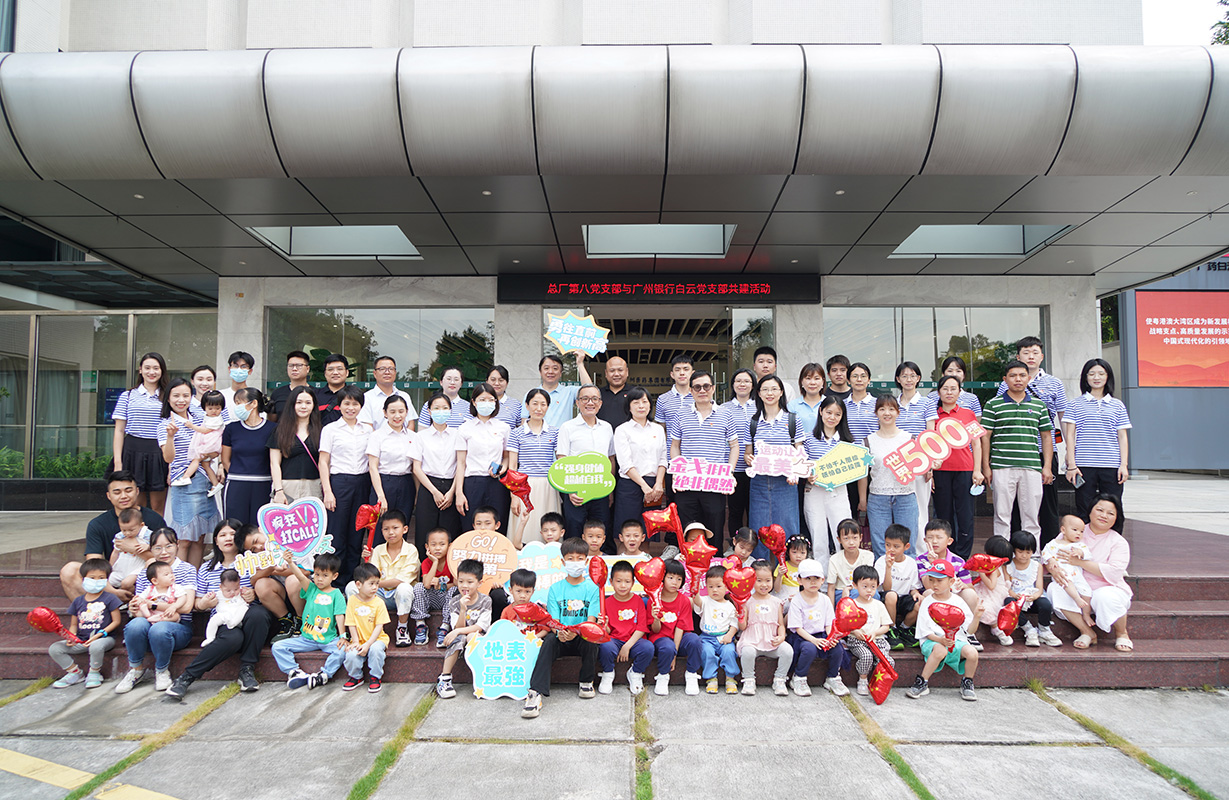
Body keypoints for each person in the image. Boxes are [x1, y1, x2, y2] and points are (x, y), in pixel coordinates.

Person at [166, 520, 272, 698]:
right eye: (223, 535)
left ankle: (247, 670)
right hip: (224, 619)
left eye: (232, 534)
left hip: (249, 616)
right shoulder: (206, 569)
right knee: (234, 638)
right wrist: (205, 603)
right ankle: (186, 677)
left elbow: (266, 586)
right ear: (216, 541)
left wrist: (254, 593)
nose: (228, 538)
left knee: (259, 614)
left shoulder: (253, 561)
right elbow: (197, 604)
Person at [996, 337, 1067, 548]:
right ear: (1019, 357)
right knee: (1015, 505)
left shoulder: (1054, 383)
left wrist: (1069, 453)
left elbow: (1063, 417)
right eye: (1026, 353)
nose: (1031, 356)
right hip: (1014, 453)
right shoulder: (1006, 383)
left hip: (1043, 453)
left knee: (1047, 503)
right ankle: (1019, 549)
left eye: (1035, 352)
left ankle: (1047, 549)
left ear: (1041, 356)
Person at [522, 537, 601, 718]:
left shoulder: (592, 588)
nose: (575, 562)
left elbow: (591, 621)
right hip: (561, 636)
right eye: (570, 558)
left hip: (581, 635)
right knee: (548, 641)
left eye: (579, 558)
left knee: (591, 640)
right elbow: (553, 620)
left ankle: (586, 681)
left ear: (586, 561)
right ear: (563, 562)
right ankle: (535, 692)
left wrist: (575, 633)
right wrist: (560, 632)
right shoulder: (556, 589)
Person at [59, 470, 165, 602]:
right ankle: (91, 615)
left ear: (137, 491)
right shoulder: (98, 524)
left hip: (146, 579)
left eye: (128, 490)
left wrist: (133, 549)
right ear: (108, 496)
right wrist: (113, 591)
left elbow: (165, 560)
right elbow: (93, 564)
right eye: (117, 492)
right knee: (69, 570)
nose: (124, 496)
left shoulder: (154, 519)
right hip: (113, 580)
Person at [1046, 494, 1133, 651]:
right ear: (1090, 511)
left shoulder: (1118, 541)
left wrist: (1080, 563)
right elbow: (1053, 552)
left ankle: (1122, 634)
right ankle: (1087, 632)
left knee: (1106, 596)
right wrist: (1052, 566)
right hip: (1076, 590)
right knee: (1054, 589)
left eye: (1110, 513)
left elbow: (1114, 573)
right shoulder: (1076, 529)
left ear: (1116, 517)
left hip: (1105, 587)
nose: (1104, 516)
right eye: (1100, 510)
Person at [116, 527, 197, 693]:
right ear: (150, 549)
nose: (164, 552)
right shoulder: (147, 572)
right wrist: (136, 608)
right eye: (158, 548)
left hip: (178, 627)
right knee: (135, 625)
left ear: (177, 545)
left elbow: (187, 607)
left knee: (160, 629)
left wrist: (154, 605)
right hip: (148, 621)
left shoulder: (187, 569)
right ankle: (136, 670)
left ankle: (161, 670)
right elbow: (139, 608)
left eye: (169, 546)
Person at [982, 359, 1054, 543]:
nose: (1018, 379)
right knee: (1002, 515)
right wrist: (986, 467)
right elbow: (985, 437)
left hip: (1031, 467)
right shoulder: (993, 404)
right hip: (1001, 466)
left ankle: (1032, 556)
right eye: (1013, 376)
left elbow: (1046, 437)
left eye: (1022, 375)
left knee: (1031, 517)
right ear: (1005, 379)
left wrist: (1047, 467)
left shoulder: (1039, 405)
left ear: (1028, 378)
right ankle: (1001, 555)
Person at [670, 371, 740, 550]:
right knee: (688, 529)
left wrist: (729, 473)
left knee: (714, 526)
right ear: (691, 391)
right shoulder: (681, 414)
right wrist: (677, 473)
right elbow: (675, 446)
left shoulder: (726, 414)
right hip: (687, 482)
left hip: (714, 483)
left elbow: (734, 446)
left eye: (706, 386)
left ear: (713, 389)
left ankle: (714, 568)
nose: (702, 390)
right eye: (697, 387)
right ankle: (687, 569)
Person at [1063, 358, 1131, 521]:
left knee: (1113, 508)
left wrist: (1123, 465)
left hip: (1111, 465)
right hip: (1084, 465)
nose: (1096, 377)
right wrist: (1072, 465)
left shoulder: (1117, 405)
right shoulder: (1075, 405)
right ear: (1085, 377)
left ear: (1108, 377)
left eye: (1101, 373)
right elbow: (1070, 436)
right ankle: (1086, 544)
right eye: (1091, 373)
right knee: (1084, 508)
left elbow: (1122, 436)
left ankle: (1112, 544)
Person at [319, 384, 374, 585]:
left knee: (356, 534)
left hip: (362, 482)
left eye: (355, 404)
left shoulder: (368, 430)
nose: (351, 408)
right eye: (346, 403)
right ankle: (335, 582)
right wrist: (328, 491)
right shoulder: (330, 429)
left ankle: (353, 581)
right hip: (339, 483)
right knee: (337, 535)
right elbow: (323, 461)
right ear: (339, 405)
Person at [927, 375, 984, 560]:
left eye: (953, 388)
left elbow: (977, 444)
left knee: (965, 514)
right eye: (945, 388)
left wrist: (977, 470)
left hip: (965, 469)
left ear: (960, 391)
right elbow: (927, 444)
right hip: (940, 470)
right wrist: (931, 472)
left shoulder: (968, 414)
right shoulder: (933, 415)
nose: (949, 392)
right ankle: (945, 554)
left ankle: (962, 556)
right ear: (938, 392)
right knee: (943, 514)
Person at [272, 551, 347, 690]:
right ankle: (294, 672)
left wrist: (342, 636)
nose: (319, 579)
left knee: (343, 650)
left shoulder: (337, 594)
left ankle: (324, 675)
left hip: (328, 639)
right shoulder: (312, 589)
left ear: (334, 576)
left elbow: (339, 615)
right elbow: (300, 576)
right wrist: (290, 562)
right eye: (317, 574)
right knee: (277, 647)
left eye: (325, 575)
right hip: (306, 639)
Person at [906, 559, 979, 701]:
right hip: (932, 641)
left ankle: (967, 682)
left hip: (955, 641)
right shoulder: (927, 601)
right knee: (941, 649)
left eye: (939, 581)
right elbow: (925, 631)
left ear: (951, 582)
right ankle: (922, 682)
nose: (934, 584)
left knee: (972, 653)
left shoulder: (958, 601)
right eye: (932, 580)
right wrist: (941, 640)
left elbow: (969, 630)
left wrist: (977, 616)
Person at [800, 396, 855, 574]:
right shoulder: (807, 439)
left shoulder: (848, 441)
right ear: (821, 411)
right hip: (814, 492)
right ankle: (820, 581)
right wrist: (808, 475)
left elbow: (855, 468)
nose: (832, 417)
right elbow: (802, 465)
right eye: (829, 412)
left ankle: (846, 577)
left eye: (837, 414)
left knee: (844, 535)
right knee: (818, 537)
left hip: (838, 492)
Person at [859, 395, 918, 559]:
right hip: (878, 498)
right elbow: (863, 474)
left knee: (908, 544)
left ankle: (909, 582)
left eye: (891, 409)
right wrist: (863, 500)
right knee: (880, 546)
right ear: (876, 413)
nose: (887, 413)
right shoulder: (868, 441)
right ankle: (882, 582)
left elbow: (920, 466)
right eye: (882, 409)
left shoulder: (910, 438)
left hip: (905, 496)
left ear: (898, 413)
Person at [49, 559, 123, 689]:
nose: (96, 581)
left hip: (104, 639)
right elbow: (73, 624)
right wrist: (71, 637)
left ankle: (94, 672)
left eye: (101, 578)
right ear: (83, 579)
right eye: (92, 577)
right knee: (55, 648)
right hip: (82, 640)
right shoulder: (78, 601)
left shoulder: (110, 598)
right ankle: (75, 673)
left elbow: (116, 621)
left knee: (95, 646)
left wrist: (100, 634)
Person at [112, 351, 169, 515]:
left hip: (159, 451)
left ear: (162, 371)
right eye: (148, 368)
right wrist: (118, 462)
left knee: (159, 505)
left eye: (156, 368)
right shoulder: (128, 396)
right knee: (136, 503)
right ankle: (137, 538)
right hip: (132, 451)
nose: (152, 372)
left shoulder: (168, 397)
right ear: (140, 370)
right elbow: (119, 430)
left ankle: (158, 538)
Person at [556, 384, 616, 542]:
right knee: (575, 526)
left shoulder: (607, 428)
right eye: (585, 399)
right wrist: (568, 490)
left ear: (600, 403)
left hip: (600, 488)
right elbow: (561, 460)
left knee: (601, 527)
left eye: (594, 399)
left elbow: (610, 459)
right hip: (576, 489)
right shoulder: (567, 427)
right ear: (577, 403)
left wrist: (609, 490)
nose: (590, 403)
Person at [746, 374, 802, 540]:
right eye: (765, 389)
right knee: (759, 527)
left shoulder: (793, 420)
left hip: (785, 481)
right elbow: (748, 453)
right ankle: (760, 565)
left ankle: (789, 564)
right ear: (759, 393)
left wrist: (795, 473)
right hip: (759, 482)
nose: (769, 393)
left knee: (788, 527)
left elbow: (799, 451)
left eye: (774, 389)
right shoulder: (753, 422)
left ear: (781, 393)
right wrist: (749, 459)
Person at [355, 510, 419, 647]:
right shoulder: (377, 550)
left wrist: (374, 584)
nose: (391, 532)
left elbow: (402, 580)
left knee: (404, 588)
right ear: (382, 531)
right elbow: (369, 576)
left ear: (405, 529)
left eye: (395, 528)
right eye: (386, 529)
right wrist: (367, 559)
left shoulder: (411, 550)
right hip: (380, 595)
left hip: (401, 597)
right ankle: (364, 628)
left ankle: (402, 628)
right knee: (352, 587)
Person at [507, 388, 561, 547]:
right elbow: (512, 466)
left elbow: (561, 461)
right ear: (527, 405)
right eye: (534, 404)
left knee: (549, 526)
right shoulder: (516, 433)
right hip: (524, 486)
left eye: (543, 404)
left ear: (548, 407)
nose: (539, 408)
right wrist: (514, 496)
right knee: (525, 526)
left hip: (548, 485)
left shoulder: (555, 432)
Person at [916, 519, 982, 649]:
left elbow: (970, 586)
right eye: (930, 538)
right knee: (929, 592)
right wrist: (932, 565)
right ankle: (935, 634)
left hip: (954, 597)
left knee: (970, 593)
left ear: (949, 541)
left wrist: (963, 585)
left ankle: (969, 633)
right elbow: (928, 585)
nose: (934, 541)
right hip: (934, 596)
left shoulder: (958, 561)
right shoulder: (921, 560)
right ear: (924, 540)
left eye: (939, 537)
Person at [613, 387, 667, 543]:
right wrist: (644, 487)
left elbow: (663, 458)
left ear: (650, 405)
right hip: (630, 486)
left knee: (647, 532)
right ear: (629, 406)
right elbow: (625, 464)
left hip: (653, 486)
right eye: (636, 402)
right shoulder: (622, 430)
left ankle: (645, 565)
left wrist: (658, 485)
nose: (641, 406)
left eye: (645, 402)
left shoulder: (657, 429)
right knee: (628, 533)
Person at [455, 382, 513, 530]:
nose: (486, 403)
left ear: (495, 402)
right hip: (472, 483)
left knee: (498, 525)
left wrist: (502, 468)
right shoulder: (464, 428)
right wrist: (459, 493)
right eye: (482, 399)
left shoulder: (503, 428)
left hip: (497, 483)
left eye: (490, 399)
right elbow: (460, 463)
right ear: (474, 402)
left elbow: (506, 456)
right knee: (471, 525)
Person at [786, 558, 847, 697]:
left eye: (816, 578)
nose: (813, 582)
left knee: (837, 647)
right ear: (800, 580)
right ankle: (799, 677)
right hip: (802, 637)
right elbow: (798, 628)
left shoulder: (825, 599)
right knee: (809, 649)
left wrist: (831, 638)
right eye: (808, 578)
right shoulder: (797, 600)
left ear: (822, 580)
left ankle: (832, 677)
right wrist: (813, 640)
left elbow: (828, 624)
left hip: (822, 634)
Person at [411, 393, 464, 550]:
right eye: (436, 408)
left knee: (451, 533)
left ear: (450, 410)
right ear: (429, 411)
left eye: (445, 408)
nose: (441, 411)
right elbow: (416, 467)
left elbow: (461, 465)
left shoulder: (458, 434)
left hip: (451, 486)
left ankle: (450, 572)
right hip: (428, 487)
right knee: (424, 532)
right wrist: (434, 491)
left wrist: (452, 492)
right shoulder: (420, 436)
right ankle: (424, 572)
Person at [647, 559, 703, 696]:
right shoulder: (654, 599)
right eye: (670, 578)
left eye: (679, 579)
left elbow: (681, 627)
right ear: (662, 578)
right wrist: (655, 618)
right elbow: (655, 630)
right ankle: (663, 675)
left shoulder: (684, 600)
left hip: (679, 637)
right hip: (661, 637)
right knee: (667, 647)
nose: (674, 582)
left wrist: (675, 654)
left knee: (695, 640)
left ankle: (691, 674)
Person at [736, 560, 792, 696]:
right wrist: (740, 615)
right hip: (752, 640)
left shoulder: (777, 602)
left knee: (788, 651)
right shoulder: (747, 601)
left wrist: (781, 636)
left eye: (768, 580)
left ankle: (779, 679)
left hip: (771, 641)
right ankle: (749, 679)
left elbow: (780, 624)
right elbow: (743, 627)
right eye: (759, 580)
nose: (764, 585)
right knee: (747, 652)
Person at [597, 560, 653, 695]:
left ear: (633, 583)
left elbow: (641, 627)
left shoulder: (638, 600)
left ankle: (636, 672)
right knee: (605, 646)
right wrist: (604, 626)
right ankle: (608, 673)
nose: (623, 585)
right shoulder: (606, 602)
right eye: (619, 581)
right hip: (615, 640)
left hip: (634, 641)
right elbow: (608, 631)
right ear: (611, 582)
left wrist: (627, 646)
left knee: (648, 648)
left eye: (627, 582)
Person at [221, 387, 273, 526]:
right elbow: (225, 459)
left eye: (239, 403)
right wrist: (236, 472)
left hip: (263, 484)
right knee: (235, 527)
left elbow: (275, 459)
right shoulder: (232, 428)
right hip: (236, 483)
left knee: (260, 527)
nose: (237, 407)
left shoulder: (272, 429)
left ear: (253, 403)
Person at [366, 395, 415, 538]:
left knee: (402, 527)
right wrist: (380, 495)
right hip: (383, 483)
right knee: (380, 529)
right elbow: (373, 467)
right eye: (392, 411)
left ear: (407, 412)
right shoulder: (377, 436)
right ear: (385, 413)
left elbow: (415, 467)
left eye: (401, 411)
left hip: (406, 483)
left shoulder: (413, 437)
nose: (397, 416)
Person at [1006, 530, 1062, 647]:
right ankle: (1029, 629)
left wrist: (1034, 596)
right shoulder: (1008, 566)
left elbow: (1039, 588)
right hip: (1016, 597)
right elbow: (1007, 587)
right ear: (1014, 550)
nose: (1024, 555)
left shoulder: (1037, 566)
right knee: (1009, 604)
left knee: (1045, 604)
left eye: (1028, 552)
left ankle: (1044, 630)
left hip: (1032, 597)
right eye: (1020, 551)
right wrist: (1015, 595)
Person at [847, 564, 895, 697]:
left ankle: (879, 682)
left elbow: (886, 625)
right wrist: (856, 631)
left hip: (876, 640)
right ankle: (862, 680)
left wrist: (875, 633)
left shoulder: (878, 605)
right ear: (855, 585)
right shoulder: (852, 604)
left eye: (873, 587)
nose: (869, 590)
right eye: (865, 586)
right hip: (858, 640)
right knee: (866, 655)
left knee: (888, 661)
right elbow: (846, 624)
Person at [894, 361, 931, 535]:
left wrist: (929, 464)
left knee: (921, 509)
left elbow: (931, 436)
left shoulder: (927, 403)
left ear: (918, 378)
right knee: (900, 508)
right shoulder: (892, 404)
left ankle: (922, 552)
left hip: (920, 463)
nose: (908, 379)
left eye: (912, 375)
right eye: (904, 376)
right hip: (897, 463)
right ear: (898, 379)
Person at [269, 386, 323, 504]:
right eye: (299, 402)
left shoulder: (321, 431)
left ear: (314, 405)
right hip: (286, 487)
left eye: (308, 402)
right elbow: (274, 463)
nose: (303, 406)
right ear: (292, 404)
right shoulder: (280, 430)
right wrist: (278, 490)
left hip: (314, 486)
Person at [343, 562, 391, 693]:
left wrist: (369, 644)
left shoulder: (379, 602)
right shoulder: (352, 600)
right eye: (371, 584)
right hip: (359, 639)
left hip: (377, 639)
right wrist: (356, 642)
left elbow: (379, 626)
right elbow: (351, 623)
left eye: (377, 583)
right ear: (358, 585)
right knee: (351, 654)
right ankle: (356, 677)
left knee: (376, 651)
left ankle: (375, 676)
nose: (375, 587)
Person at [1042, 515, 1096, 630]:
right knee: (1067, 583)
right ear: (1063, 530)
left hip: (1077, 575)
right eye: (1075, 530)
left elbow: (1088, 555)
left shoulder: (1079, 545)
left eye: (1081, 531)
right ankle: (1076, 598)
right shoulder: (1054, 543)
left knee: (1087, 592)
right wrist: (1051, 560)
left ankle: (1086, 614)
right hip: (1063, 573)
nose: (1078, 534)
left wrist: (1080, 553)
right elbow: (1045, 553)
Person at [693, 564, 740, 694]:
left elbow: (734, 623)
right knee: (707, 652)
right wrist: (695, 585)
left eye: (719, 586)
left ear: (727, 586)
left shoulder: (730, 606)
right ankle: (711, 678)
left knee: (729, 652)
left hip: (725, 636)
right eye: (710, 586)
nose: (714, 590)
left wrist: (730, 635)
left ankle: (730, 678)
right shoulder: (705, 601)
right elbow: (696, 600)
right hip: (707, 637)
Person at [721, 368, 757, 539]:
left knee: (754, 510)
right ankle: (734, 543)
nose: (742, 384)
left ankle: (752, 545)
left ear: (753, 385)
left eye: (747, 381)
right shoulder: (723, 408)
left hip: (756, 468)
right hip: (733, 468)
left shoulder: (761, 406)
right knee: (734, 510)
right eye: (738, 381)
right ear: (733, 385)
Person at [875, 525, 923, 646]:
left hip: (903, 598)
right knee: (891, 595)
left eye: (896, 546)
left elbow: (913, 588)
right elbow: (886, 589)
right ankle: (891, 629)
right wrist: (888, 568)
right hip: (887, 598)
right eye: (887, 545)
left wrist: (916, 594)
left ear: (906, 547)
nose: (891, 549)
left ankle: (904, 628)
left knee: (920, 603)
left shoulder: (911, 563)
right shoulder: (882, 561)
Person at [174, 390, 226, 497]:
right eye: (210, 408)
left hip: (210, 444)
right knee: (205, 464)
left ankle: (186, 477)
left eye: (217, 408)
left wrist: (192, 426)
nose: (214, 411)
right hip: (208, 443)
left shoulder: (216, 420)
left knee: (196, 459)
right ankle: (215, 484)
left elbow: (205, 430)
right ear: (204, 407)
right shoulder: (210, 417)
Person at [409, 527, 454, 647]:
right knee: (418, 587)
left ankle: (445, 627)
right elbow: (427, 584)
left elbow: (456, 584)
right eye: (433, 545)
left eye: (442, 544)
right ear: (427, 547)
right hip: (431, 599)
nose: (438, 548)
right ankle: (420, 625)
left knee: (455, 591)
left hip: (446, 599)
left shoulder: (453, 562)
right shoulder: (426, 563)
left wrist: (442, 585)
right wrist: (434, 562)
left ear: (449, 546)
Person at [527, 352, 592, 429]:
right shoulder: (532, 394)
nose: (550, 371)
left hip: (563, 438)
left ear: (561, 373)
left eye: (555, 368)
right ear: (540, 372)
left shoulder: (569, 392)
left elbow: (589, 390)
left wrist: (580, 363)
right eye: (546, 368)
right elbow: (524, 420)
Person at [971, 535, 1015, 646]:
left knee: (986, 609)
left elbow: (991, 585)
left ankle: (997, 629)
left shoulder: (994, 568)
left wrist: (981, 573)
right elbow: (1007, 579)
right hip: (998, 591)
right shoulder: (1002, 566)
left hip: (991, 593)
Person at [360, 355, 414, 431]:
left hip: (403, 441)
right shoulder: (366, 398)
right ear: (375, 373)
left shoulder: (405, 396)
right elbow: (367, 427)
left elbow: (410, 423)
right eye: (382, 369)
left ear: (395, 372)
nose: (387, 372)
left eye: (391, 369)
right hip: (377, 442)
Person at [827, 521, 873, 605]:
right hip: (840, 592)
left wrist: (850, 588)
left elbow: (868, 581)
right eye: (846, 538)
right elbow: (831, 587)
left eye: (855, 538)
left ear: (860, 537)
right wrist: (831, 613)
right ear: (839, 539)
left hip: (863, 589)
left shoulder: (868, 556)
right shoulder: (834, 559)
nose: (851, 542)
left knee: (873, 594)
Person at [108, 508, 151, 598]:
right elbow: (115, 552)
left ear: (141, 525)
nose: (127, 533)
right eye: (124, 530)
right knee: (107, 581)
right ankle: (118, 601)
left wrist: (148, 546)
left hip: (138, 565)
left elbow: (157, 546)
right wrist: (109, 567)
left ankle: (131, 599)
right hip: (122, 565)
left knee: (126, 583)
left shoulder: (147, 535)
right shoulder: (120, 536)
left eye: (131, 530)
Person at [654, 354, 694, 451]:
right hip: (670, 456)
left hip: (695, 455)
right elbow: (661, 430)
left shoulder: (700, 397)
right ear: (672, 374)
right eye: (677, 370)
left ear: (692, 373)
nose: (682, 373)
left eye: (686, 369)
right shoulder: (663, 399)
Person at [199, 568, 247, 647]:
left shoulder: (241, 593)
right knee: (213, 620)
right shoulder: (218, 594)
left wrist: (247, 593)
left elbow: (248, 598)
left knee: (244, 608)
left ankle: (233, 623)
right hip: (224, 614)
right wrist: (209, 597)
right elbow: (209, 598)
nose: (232, 592)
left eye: (236, 589)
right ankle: (210, 637)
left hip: (238, 614)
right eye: (228, 590)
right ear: (220, 587)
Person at [268, 350, 311, 422]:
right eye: (291, 365)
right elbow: (273, 420)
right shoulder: (277, 393)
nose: (294, 369)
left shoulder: (316, 393)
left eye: (299, 365)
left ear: (307, 369)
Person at [596, 356, 633, 430]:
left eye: (620, 370)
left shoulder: (635, 394)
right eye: (612, 370)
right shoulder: (598, 394)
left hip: (629, 439)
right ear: (606, 373)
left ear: (627, 372)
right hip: (603, 438)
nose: (616, 374)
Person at [220, 350, 256, 418]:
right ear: (229, 369)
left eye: (243, 366)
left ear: (250, 371)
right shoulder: (220, 395)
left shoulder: (254, 396)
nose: (239, 369)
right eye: (235, 366)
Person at [316, 354, 351, 425]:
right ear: (325, 374)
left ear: (347, 372)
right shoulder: (314, 395)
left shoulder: (354, 396)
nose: (335, 372)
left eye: (339, 369)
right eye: (330, 369)